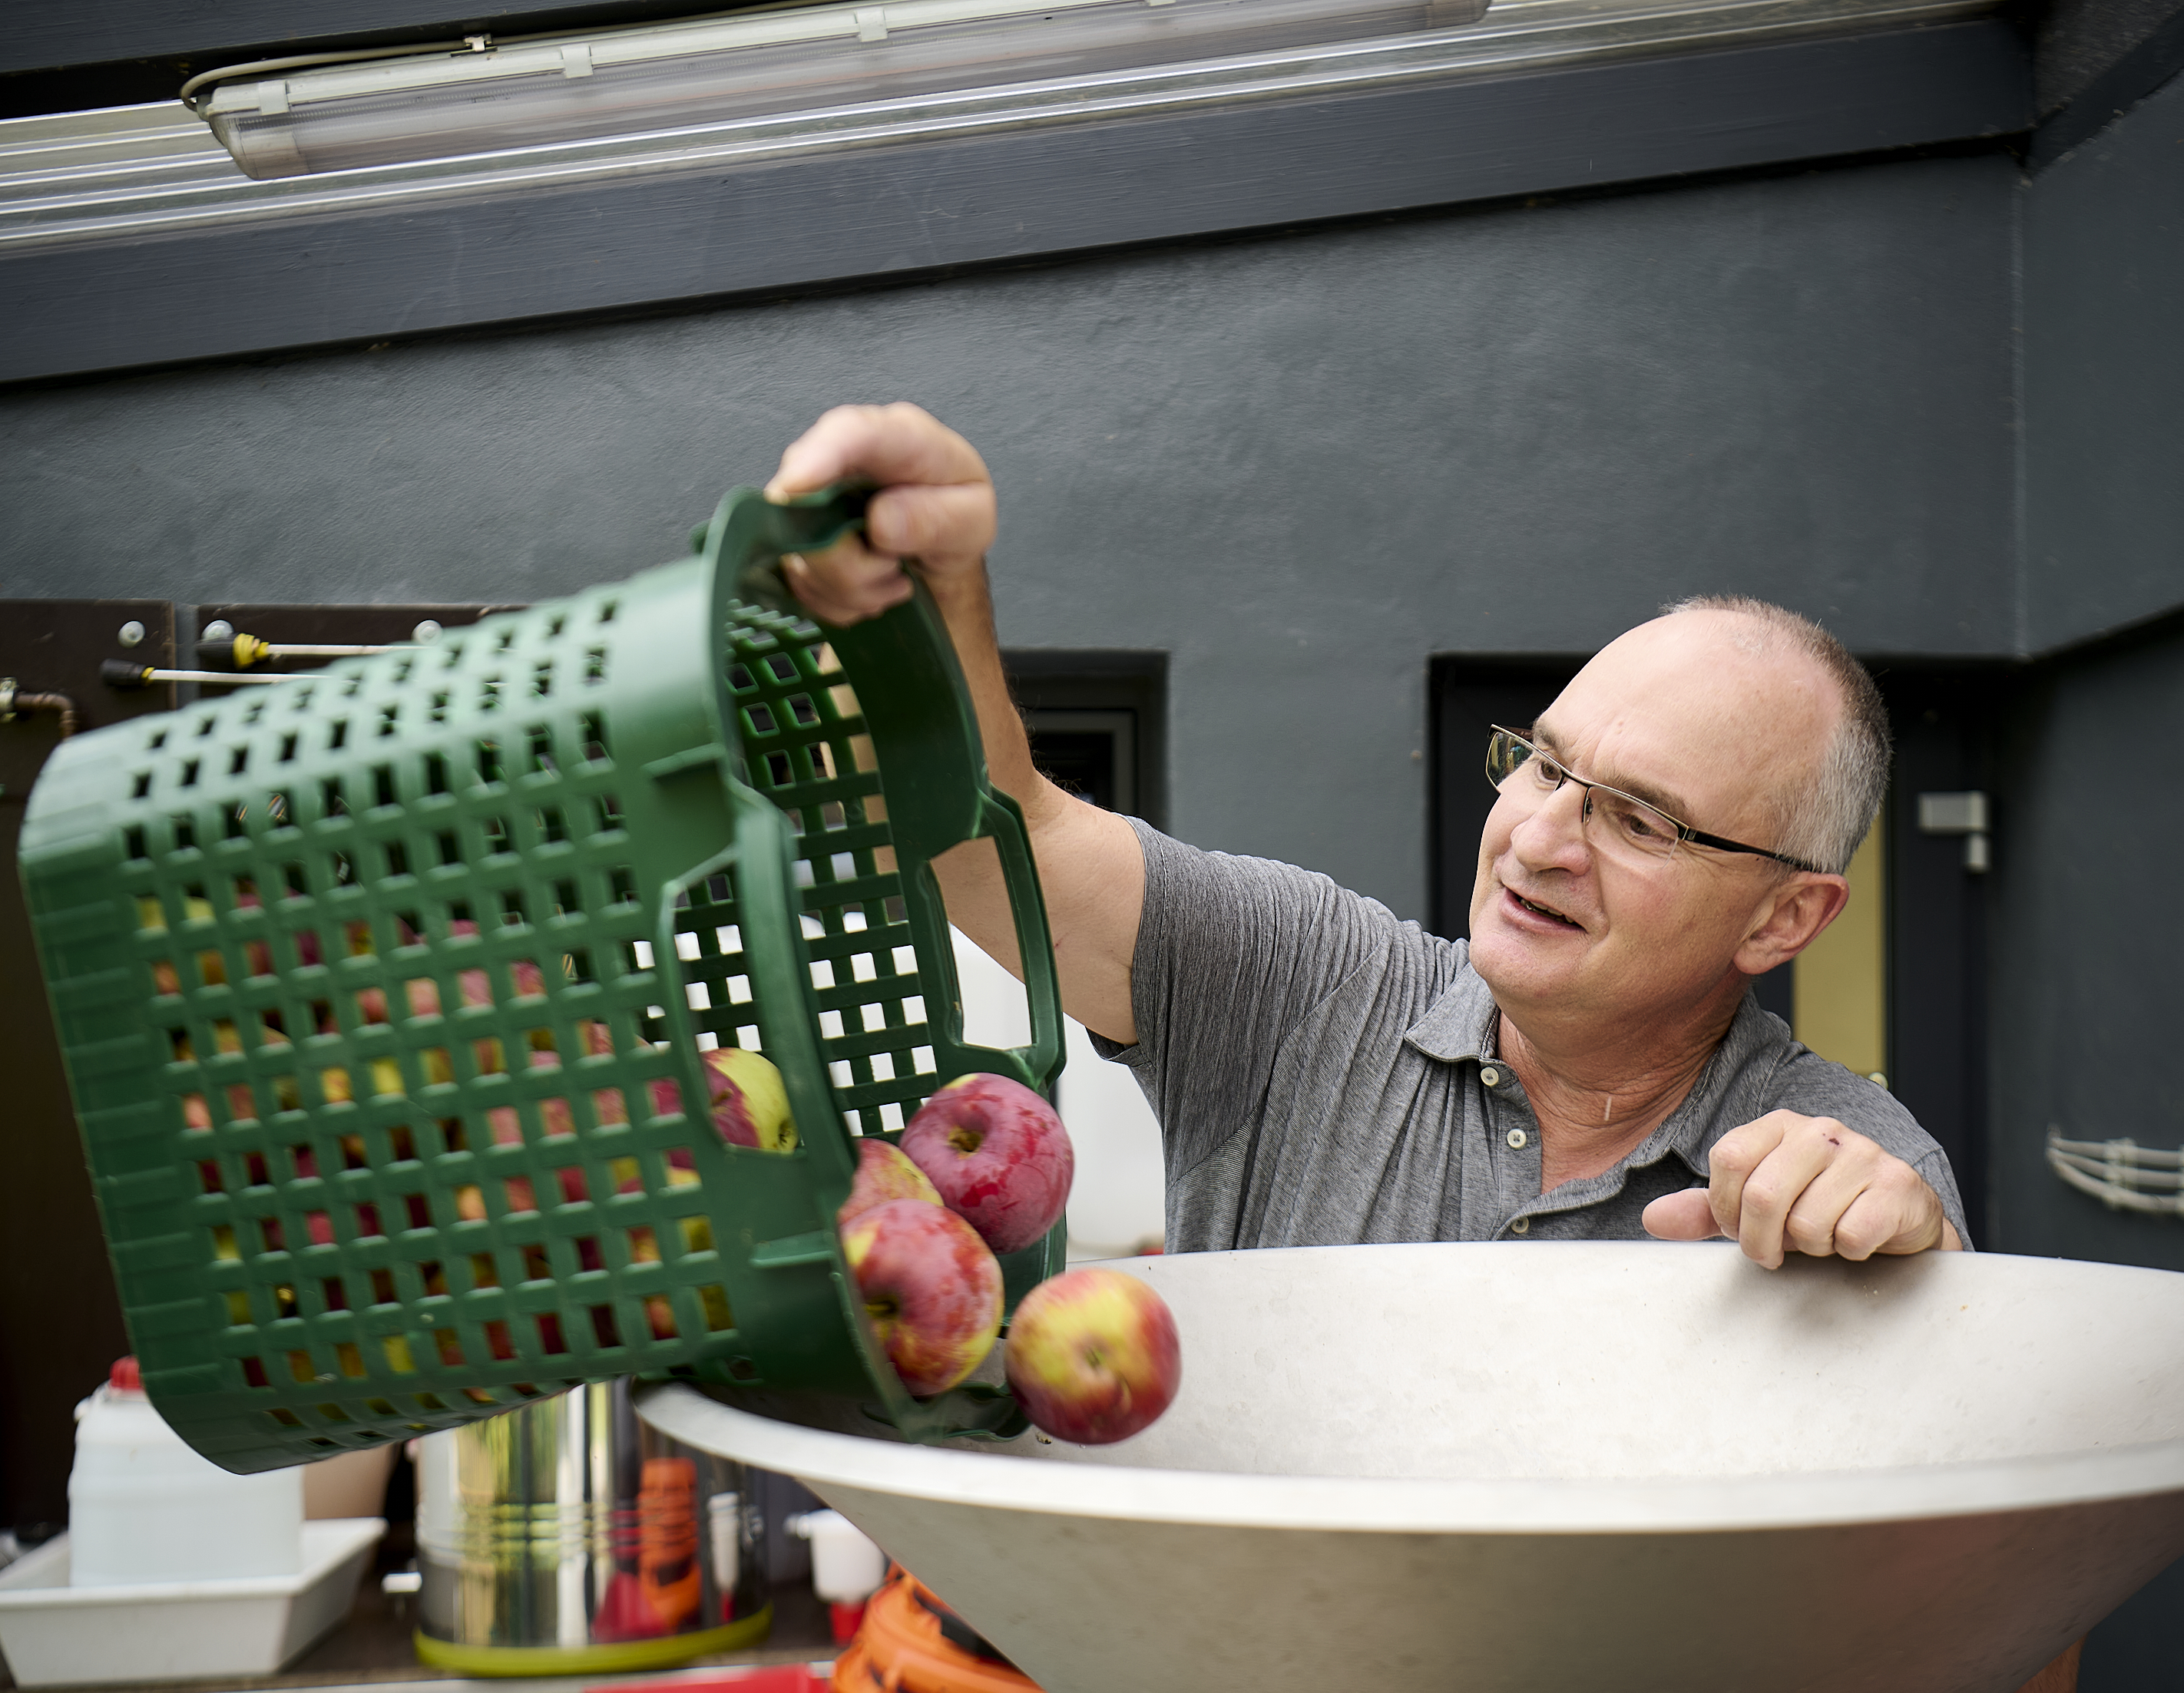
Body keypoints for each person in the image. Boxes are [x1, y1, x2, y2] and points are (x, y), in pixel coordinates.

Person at [766, 402, 1966, 1265]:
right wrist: (922, 598)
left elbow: (1970, 1569)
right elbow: (989, 833)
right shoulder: (1302, 989)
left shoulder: (1841, 1167)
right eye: (1546, 762)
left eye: (1641, 818)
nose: (1540, 837)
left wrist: (1908, 1275)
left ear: (1785, 915)